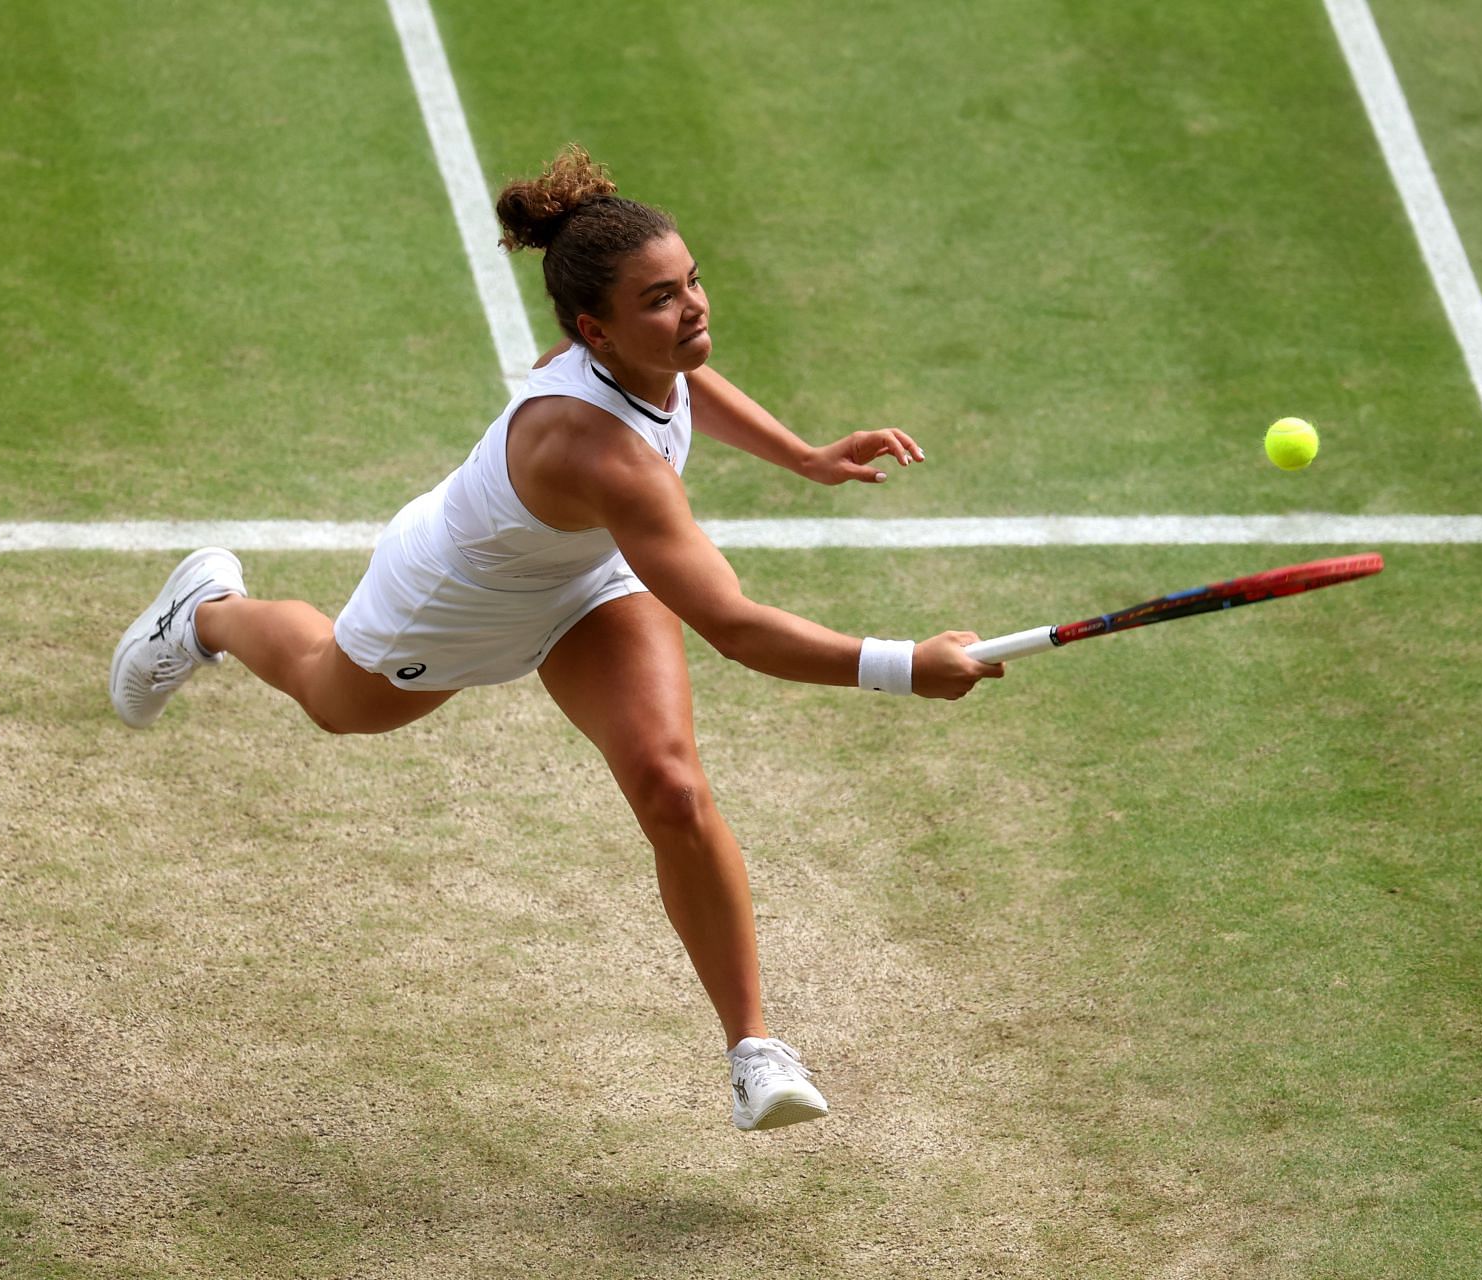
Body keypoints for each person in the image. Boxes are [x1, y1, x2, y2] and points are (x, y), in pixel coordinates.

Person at [109, 145, 1003, 1131]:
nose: (695, 308)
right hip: (449, 600)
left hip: (585, 580)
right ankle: (206, 612)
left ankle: (755, 1047)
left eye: (693, 281)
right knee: (334, 699)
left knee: (670, 784)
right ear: (595, 330)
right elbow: (737, 628)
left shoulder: (636, 360)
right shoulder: (598, 453)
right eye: (661, 299)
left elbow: (686, 381)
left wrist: (801, 454)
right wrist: (902, 666)